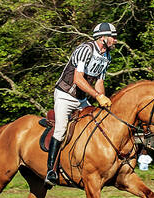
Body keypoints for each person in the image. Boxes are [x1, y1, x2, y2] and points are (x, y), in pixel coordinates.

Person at [45, 22, 117, 186]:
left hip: (82, 99)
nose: (115, 40)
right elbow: (78, 79)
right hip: (65, 95)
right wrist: (98, 96)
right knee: (61, 128)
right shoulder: (85, 49)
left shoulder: (107, 57)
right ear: (103, 38)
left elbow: (99, 82)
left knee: (97, 124)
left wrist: (103, 100)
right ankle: (50, 171)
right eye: (113, 37)